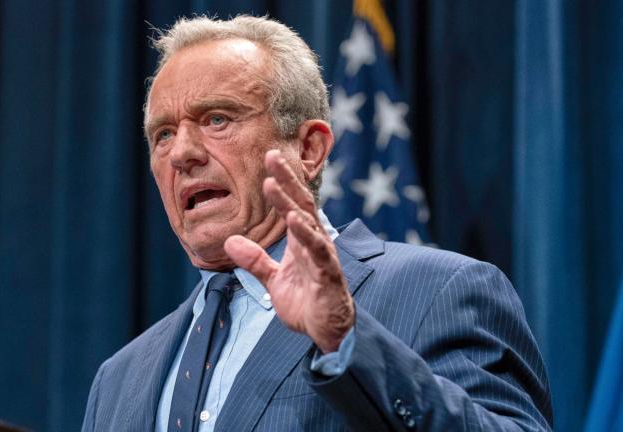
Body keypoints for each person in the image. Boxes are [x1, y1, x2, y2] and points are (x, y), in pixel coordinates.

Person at [81, 15, 552, 431]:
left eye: (217, 119)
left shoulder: (441, 290)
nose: (181, 152)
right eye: (163, 133)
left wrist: (346, 340)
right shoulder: (120, 378)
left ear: (308, 149)